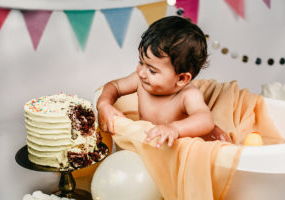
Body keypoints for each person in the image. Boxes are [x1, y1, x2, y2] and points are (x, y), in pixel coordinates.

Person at [97, 16, 231, 148]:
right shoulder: (140, 81)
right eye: (141, 62)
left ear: (181, 79)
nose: (141, 72)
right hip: (155, 145)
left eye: (152, 70)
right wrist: (104, 104)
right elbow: (114, 86)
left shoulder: (188, 95)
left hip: (181, 149)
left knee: (218, 141)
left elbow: (205, 120)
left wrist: (174, 128)